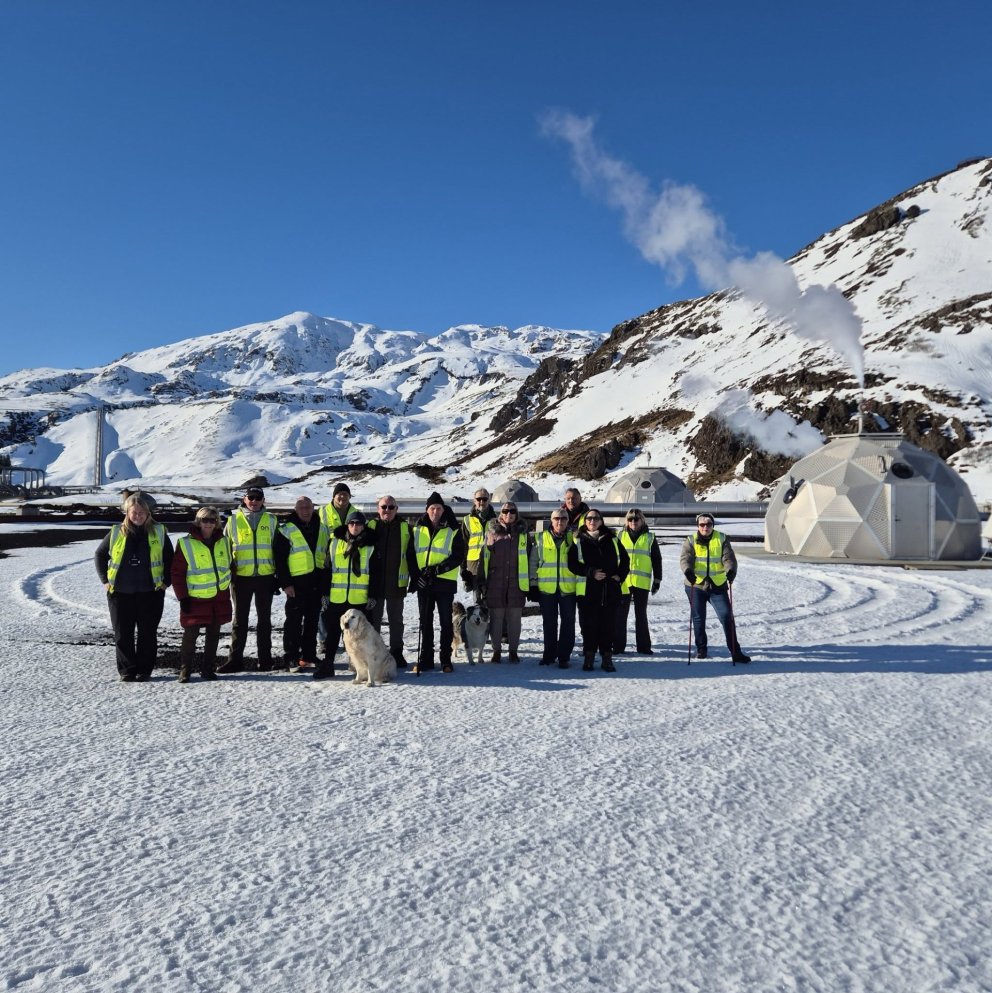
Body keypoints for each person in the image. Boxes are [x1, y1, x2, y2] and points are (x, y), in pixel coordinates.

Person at [94, 492, 173, 682]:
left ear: (148, 514)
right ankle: (127, 670)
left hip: (151, 593)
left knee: (147, 633)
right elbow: (100, 555)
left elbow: (171, 560)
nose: (137, 516)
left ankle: (144, 670)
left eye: (141, 512)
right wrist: (105, 581)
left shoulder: (159, 532)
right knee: (123, 633)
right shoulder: (115, 533)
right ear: (127, 513)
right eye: (134, 512)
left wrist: (165, 584)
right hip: (120, 593)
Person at [217, 486, 279, 673]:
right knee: (239, 621)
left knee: (264, 620)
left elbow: (278, 548)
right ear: (244, 499)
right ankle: (235, 660)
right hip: (241, 578)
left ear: (263, 500)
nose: (254, 501)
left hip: (265, 577)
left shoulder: (272, 520)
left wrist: (277, 575)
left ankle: (265, 660)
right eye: (250, 497)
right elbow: (225, 549)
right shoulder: (233, 521)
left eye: (257, 498)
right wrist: (228, 573)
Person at [314, 509, 380, 680]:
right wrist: (324, 593)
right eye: (352, 523)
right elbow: (327, 570)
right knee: (333, 634)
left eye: (358, 523)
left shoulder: (371, 546)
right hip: (337, 597)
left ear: (363, 526)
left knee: (363, 635)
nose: (355, 526)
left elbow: (375, 574)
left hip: (360, 600)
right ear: (347, 525)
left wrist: (373, 595)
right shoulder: (335, 544)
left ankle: (362, 667)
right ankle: (328, 664)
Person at [171, 506, 232, 683]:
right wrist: (182, 597)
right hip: (195, 598)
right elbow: (177, 573)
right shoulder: (185, 543)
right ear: (198, 521)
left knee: (213, 635)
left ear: (217, 523)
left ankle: (208, 669)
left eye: (212, 520)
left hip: (218, 597)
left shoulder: (224, 541)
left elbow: (229, 565)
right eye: (205, 520)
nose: (208, 524)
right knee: (190, 635)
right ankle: (185, 670)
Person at [680, 513, 751, 663]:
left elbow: (728, 558)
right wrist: (688, 571)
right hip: (696, 584)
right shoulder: (691, 540)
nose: (705, 527)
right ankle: (701, 650)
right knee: (698, 619)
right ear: (698, 526)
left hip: (717, 585)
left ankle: (735, 652)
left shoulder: (722, 538)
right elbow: (685, 559)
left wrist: (731, 570)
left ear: (713, 525)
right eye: (702, 525)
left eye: (708, 524)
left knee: (726, 617)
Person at [567, 508, 629, 672]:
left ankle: (607, 657)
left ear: (601, 521)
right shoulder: (578, 541)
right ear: (585, 522)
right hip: (588, 590)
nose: (592, 521)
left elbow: (625, 560)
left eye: (595, 518)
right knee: (589, 625)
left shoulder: (613, 540)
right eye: (589, 519)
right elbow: (572, 564)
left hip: (610, 590)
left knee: (608, 625)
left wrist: (619, 576)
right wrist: (591, 572)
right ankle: (589, 657)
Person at [412, 491, 465, 674]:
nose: (435, 511)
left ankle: (445, 659)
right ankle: (425, 658)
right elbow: (412, 554)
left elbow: (458, 555)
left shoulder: (452, 529)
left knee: (445, 622)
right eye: (432, 508)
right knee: (425, 622)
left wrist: (437, 569)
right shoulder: (417, 528)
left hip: (444, 582)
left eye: (438, 508)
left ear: (443, 510)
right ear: (427, 510)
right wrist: (416, 575)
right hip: (424, 583)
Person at [274, 495, 328, 673]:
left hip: (316, 582)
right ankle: (291, 657)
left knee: (312, 621)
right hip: (296, 583)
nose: (305, 510)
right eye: (302, 507)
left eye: (308, 507)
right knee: (294, 622)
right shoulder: (286, 529)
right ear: (296, 510)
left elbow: (326, 556)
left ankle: (309, 656)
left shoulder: (322, 528)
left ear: (313, 508)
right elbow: (280, 560)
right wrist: (286, 584)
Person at [366, 494, 419, 669]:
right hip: (375, 583)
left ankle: (397, 652)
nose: (387, 510)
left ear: (397, 509)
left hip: (397, 583)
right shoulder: (370, 527)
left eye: (391, 507)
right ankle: (374, 652)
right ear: (377, 509)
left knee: (396, 620)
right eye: (384, 507)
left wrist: (415, 577)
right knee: (374, 620)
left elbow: (411, 555)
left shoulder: (405, 528)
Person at [479, 501, 531, 663]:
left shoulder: (523, 535)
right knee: (496, 618)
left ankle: (513, 651)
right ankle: (496, 651)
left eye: (512, 511)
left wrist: (530, 583)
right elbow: (484, 558)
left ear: (517, 513)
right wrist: (481, 581)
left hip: (516, 583)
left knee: (515, 619)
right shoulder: (491, 533)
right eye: (505, 511)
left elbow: (530, 558)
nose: (509, 514)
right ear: (500, 513)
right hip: (495, 583)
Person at [528, 508, 577, 668]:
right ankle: (549, 655)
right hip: (547, 588)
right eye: (556, 518)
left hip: (567, 588)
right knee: (549, 623)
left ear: (568, 521)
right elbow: (533, 562)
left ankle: (564, 656)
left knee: (568, 623)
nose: (560, 521)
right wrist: (533, 585)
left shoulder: (573, 538)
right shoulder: (541, 538)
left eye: (563, 518)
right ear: (551, 520)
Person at [613, 509, 663, 655]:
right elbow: (613, 557)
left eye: (636, 519)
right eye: (630, 520)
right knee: (620, 615)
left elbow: (656, 559)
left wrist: (657, 579)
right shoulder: (620, 536)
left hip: (642, 582)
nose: (633, 522)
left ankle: (644, 646)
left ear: (642, 520)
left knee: (641, 615)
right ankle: (618, 646)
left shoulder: (650, 538)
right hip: (623, 582)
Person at [317, 482, 353, 652]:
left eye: (345, 494)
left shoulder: (355, 513)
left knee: (346, 603)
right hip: (327, 563)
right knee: (325, 604)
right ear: (333, 496)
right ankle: (324, 640)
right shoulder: (322, 512)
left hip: (348, 565)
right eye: (339, 494)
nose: (342, 496)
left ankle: (347, 639)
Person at [460, 487, 496, 597]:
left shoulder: (496, 520)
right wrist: (463, 569)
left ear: (489, 500)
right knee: (477, 598)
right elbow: (463, 545)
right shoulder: (467, 520)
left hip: (491, 563)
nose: (481, 502)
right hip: (473, 564)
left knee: (490, 597)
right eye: (479, 499)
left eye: (484, 499)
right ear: (474, 500)